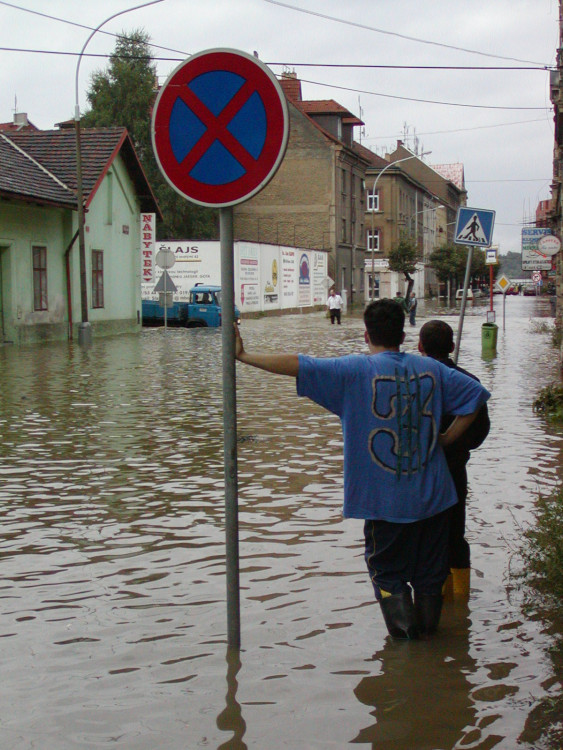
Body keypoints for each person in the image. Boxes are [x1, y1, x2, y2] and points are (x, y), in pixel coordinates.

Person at [234, 300, 490, 640]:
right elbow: (476, 398)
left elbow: (297, 364)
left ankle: (405, 649)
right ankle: (430, 653)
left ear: (367, 334)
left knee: (387, 573)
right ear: (403, 333)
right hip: (435, 499)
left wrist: (244, 356)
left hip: (385, 503)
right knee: (430, 575)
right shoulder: (433, 370)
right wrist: (444, 439)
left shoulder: (353, 370)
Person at [418, 320, 490, 598]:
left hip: (418, 474)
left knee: (423, 535)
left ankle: (430, 598)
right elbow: (480, 430)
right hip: (454, 470)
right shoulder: (468, 383)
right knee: (454, 534)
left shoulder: (412, 382)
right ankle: (460, 603)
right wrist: (458, 449)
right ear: (451, 346)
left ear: (420, 346)